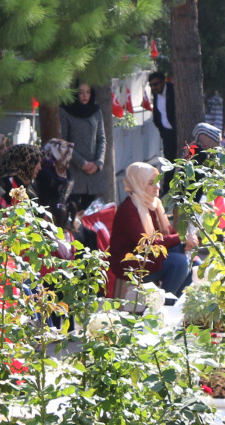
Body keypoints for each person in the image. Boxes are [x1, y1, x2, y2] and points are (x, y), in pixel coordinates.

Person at [110, 161, 192, 297]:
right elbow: (147, 244)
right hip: (132, 262)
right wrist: (182, 237)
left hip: (150, 256)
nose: (157, 187)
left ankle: (176, 303)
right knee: (179, 263)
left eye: (158, 182)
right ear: (138, 183)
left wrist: (185, 241)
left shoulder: (154, 204)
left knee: (191, 260)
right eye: (151, 183)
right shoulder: (129, 208)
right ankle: (164, 304)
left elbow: (169, 234)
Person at [58, 83, 108, 212]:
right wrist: (81, 163)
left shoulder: (95, 111)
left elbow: (101, 139)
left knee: (91, 213)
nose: (85, 96)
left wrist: (99, 162)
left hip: (93, 172)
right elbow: (63, 142)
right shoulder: (65, 111)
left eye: (88, 92)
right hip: (74, 170)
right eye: (81, 92)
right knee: (73, 211)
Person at [34, 139, 73, 215]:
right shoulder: (42, 174)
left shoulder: (64, 171)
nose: (70, 157)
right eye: (66, 154)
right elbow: (45, 202)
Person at [148, 71, 177, 162]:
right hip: (166, 133)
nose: (153, 87)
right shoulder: (156, 94)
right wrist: (163, 132)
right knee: (169, 161)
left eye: (156, 84)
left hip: (177, 132)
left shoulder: (173, 91)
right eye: (151, 85)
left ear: (163, 82)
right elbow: (157, 115)